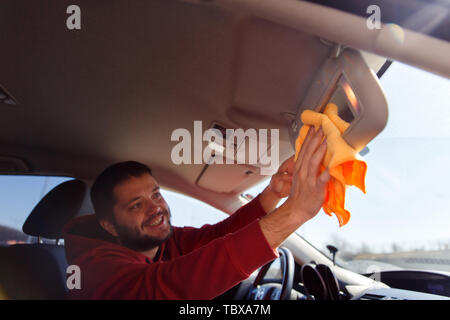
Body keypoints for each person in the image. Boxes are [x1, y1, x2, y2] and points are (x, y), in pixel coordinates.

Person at [63, 127, 330, 299]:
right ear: (109, 226)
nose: (156, 207)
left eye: (155, 194)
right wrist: (295, 212)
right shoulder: (92, 270)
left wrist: (273, 193)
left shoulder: (161, 240)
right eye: (136, 205)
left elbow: (219, 236)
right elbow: (163, 288)